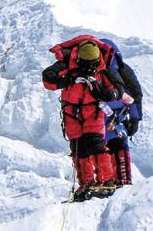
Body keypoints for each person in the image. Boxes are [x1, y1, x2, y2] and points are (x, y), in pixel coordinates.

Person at [42, 37, 127, 200]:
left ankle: (107, 181)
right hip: (71, 113)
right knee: (78, 149)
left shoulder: (104, 67)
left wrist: (104, 93)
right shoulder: (68, 63)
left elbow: (119, 89)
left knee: (96, 145)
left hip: (93, 112)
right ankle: (86, 184)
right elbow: (48, 78)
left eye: (92, 64)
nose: (89, 68)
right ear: (78, 59)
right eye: (85, 65)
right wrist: (68, 79)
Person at [100, 38, 143, 185]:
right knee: (119, 145)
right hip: (117, 118)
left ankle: (106, 181)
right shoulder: (122, 70)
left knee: (102, 149)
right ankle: (122, 180)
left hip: (97, 120)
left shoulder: (91, 71)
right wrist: (135, 119)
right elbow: (135, 95)